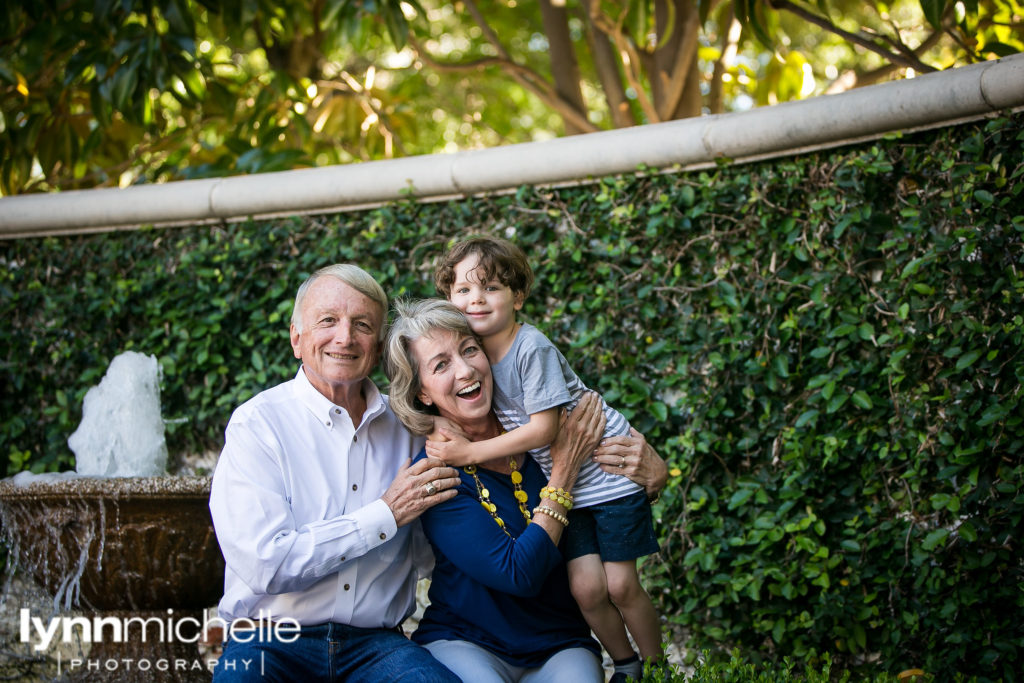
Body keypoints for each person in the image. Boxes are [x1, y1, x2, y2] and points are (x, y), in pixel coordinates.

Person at [384, 298, 668, 683]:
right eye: (441, 365)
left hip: (560, 642)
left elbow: (611, 483)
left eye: (470, 350)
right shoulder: (436, 474)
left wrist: (653, 474)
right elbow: (518, 573)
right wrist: (563, 473)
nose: (466, 369)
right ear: (423, 393)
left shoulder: (536, 429)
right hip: (466, 639)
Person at [208, 264, 463, 682]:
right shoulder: (257, 424)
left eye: (362, 325)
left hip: (377, 647)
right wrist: (384, 514)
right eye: (328, 321)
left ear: (378, 348)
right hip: (270, 642)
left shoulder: (412, 429)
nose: (344, 337)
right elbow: (266, 565)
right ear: (297, 338)